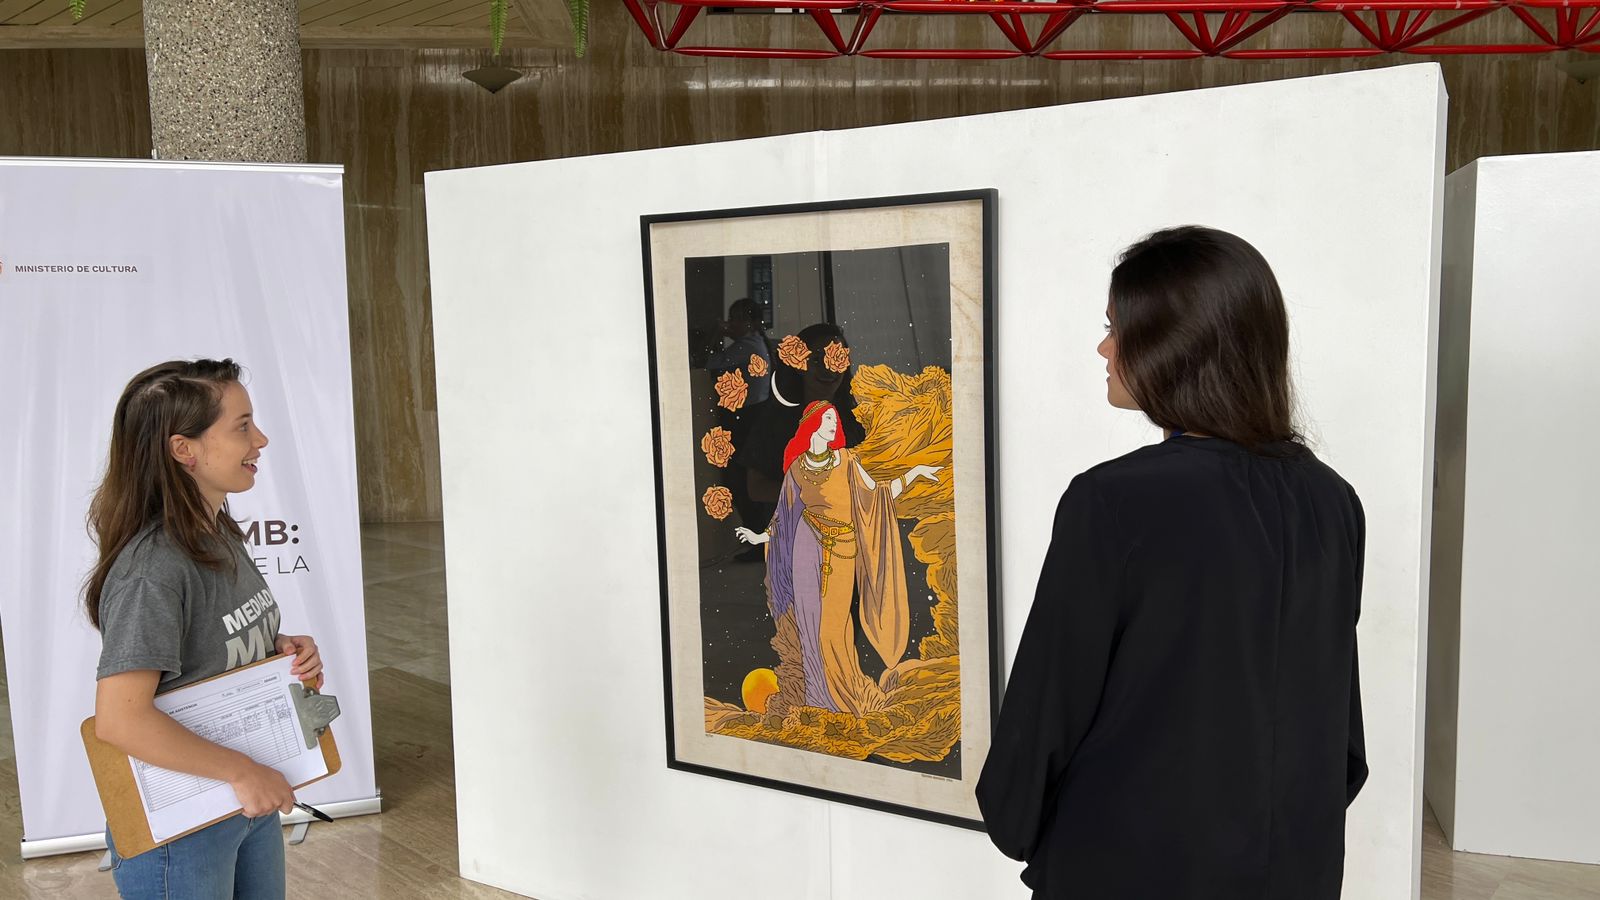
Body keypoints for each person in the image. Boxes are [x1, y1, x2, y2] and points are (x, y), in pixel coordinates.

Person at [976, 227, 1367, 899]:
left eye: (1115, 328)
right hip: (1294, 868)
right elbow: (1339, 730)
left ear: (1175, 342)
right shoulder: (1333, 501)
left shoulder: (1113, 501)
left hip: (1128, 866)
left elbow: (1046, 711)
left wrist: (1019, 822)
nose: (1104, 349)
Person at [85, 359, 324, 900]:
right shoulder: (153, 569)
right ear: (183, 449)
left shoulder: (219, 532)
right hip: (183, 827)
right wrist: (241, 772)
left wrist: (275, 649)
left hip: (244, 796)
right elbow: (120, 719)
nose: (260, 440)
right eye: (242, 426)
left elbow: (208, 646)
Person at [734, 401, 939, 715]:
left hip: (843, 549)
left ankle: (842, 697)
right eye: (828, 419)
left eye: (835, 419)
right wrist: (760, 537)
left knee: (834, 626)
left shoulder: (847, 461)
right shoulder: (798, 468)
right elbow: (784, 517)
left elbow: (878, 494)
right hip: (806, 545)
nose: (834, 424)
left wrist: (914, 474)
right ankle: (817, 699)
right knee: (809, 624)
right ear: (812, 424)